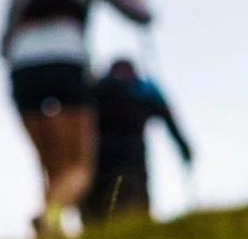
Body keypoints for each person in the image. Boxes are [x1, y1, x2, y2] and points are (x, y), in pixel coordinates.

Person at [0, 0, 153, 239]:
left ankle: (47, 237)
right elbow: (140, 15)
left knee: (50, 163)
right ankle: (50, 218)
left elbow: (3, 40)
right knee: (78, 166)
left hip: (22, 72)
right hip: (67, 66)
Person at [81, 58, 193, 225]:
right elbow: (168, 118)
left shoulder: (95, 88)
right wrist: (183, 148)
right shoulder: (141, 90)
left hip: (97, 155)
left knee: (97, 204)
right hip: (130, 154)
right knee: (133, 199)